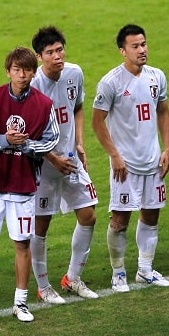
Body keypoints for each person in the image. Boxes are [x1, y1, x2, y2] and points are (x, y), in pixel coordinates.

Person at [0, 47, 59, 324]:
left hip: (22, 184)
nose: (22, 74)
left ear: (33, 71)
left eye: (27, 69)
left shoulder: (43, 105)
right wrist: (4, 141)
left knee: (22, 243)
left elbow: (52, 139)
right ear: (8, 71)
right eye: (16, 69)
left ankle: (21, 303)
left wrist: (29, 145)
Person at [92, 24, 169, 292]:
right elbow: (97, 122)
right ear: (122, 51)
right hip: (125, 166)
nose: (142, 50)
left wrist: (167, 148)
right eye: (135, 46)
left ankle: (145, 269)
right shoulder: (111, 82)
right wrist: (114, 155)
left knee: (151, 215)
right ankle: (118, 273)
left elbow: (163, 111)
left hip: (153, 161)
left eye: (144, 44)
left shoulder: (156, 77)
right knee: (119, 220)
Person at [29, 27, 99, 304]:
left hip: (70, 160)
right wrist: (52, 158)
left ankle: (72, 278)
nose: (57, 56)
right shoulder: (32, 86)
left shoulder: (74, 73)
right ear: (38, 57)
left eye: (60, 50)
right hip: (42, 167)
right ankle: (43, 287)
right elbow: (30, 134)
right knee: (41, 227)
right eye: (50, 53)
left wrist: (79, 142)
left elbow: (78, 107)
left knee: (88, 216)